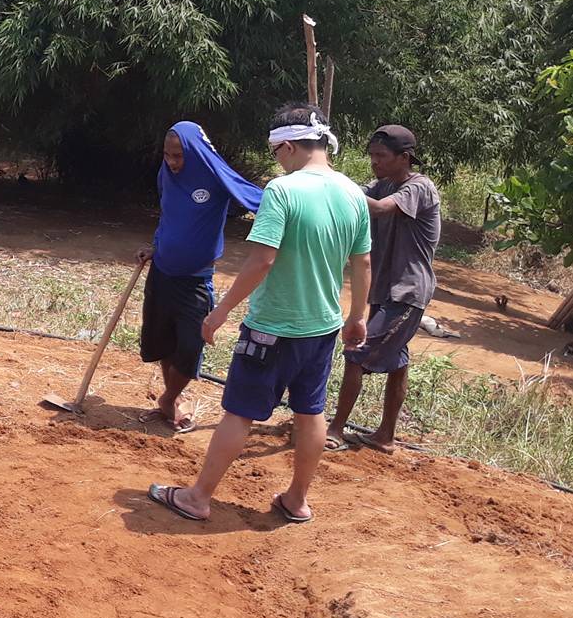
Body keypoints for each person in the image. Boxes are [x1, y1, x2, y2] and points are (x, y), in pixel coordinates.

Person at [147, 105, 370, 526]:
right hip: (323, 326)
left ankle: (197, 498)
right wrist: (358, 315)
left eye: (275, 151)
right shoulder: (353, 193)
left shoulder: (282, 191)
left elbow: (262, 260)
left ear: (287, 145)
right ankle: (297, 500)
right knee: (310, 413)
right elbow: (363, 263)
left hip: (273, 326)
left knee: (239, 412)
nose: (276, 160)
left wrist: (221, 312)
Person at [137, 122, 264, 431]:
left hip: (195, 279)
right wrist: (155, 246)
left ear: (194, 152)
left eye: (178, 155)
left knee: (190, 345)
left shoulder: (214, 175)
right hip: (162, 271)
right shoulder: (166, 174)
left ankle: (169, 397)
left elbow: (260, 200)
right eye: (167, 155)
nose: (172, 162)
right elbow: (169, 215)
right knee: (163, 340)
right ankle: (173, 402)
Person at [327, 125, 441, 453]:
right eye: (372, 156)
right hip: (385, 290)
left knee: (355, 353)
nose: (374, 162)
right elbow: (359, 195)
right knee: (398, 361)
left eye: (381, 156)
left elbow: (376, 208)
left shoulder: (419, 187)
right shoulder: (384, 184)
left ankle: (335, 428)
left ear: (404, 158)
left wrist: (336, 186)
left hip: (406, 292)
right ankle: (385, 436)